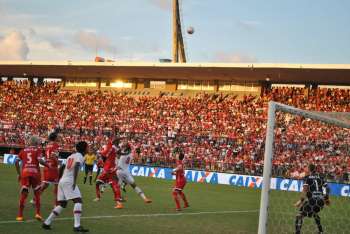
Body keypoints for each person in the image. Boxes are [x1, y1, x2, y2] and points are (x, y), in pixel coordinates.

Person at [42, 141, 89, 232]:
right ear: (84, 148)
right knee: (78, 201)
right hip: (69, 181)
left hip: (62, 181)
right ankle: (77, 226)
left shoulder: (70, 156)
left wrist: (59, 179)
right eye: (87, 147)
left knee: (62, 204)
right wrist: (74, 181)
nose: (88, 148)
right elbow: (77, 165)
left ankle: (46, 223)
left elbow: (62, 167)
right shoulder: (80, 156)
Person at [15, 135, 50, 221]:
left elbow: (16, 161)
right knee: (37, 194)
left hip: (25, 173)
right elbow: (40, 160)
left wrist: (19, 173)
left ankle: (20, 215)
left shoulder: (23, 150)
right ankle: (38, 214)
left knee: (24, 193)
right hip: (35, 174)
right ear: (36, 142)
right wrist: (47, 165)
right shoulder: (38, 150)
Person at [294, 164, 330, 234]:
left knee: (299, 215)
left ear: (309, 169)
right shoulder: (320, 176)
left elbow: (305, 190)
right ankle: (321, 231)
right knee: (314, 213)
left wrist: (300, 201)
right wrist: (326, 199)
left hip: (312, 201)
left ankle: (297, 232)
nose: (305, 169)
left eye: (306, 168)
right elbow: (327, 188)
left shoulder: (307, 177)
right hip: (321, 201)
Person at [94, 138, 123, 209]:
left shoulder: (110, 148)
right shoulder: (114, 148)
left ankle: (119, 203)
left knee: (113, 185)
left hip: (108, 169)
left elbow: (103, 155)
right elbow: (118, 152)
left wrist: (100, 153)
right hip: (110, 168)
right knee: (99, 183)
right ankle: (98, 197)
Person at [40, 131, 60, 206]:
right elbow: (53, 156)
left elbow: (46, 156)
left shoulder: (47, 145)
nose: (59, 137)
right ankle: (56, 204)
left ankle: (35, 199)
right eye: (57, 136)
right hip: (53, 167)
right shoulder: (55, 145)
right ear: (55, 137)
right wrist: (57, 162)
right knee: (57, 185)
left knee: (45, 184)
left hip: (46, 166)